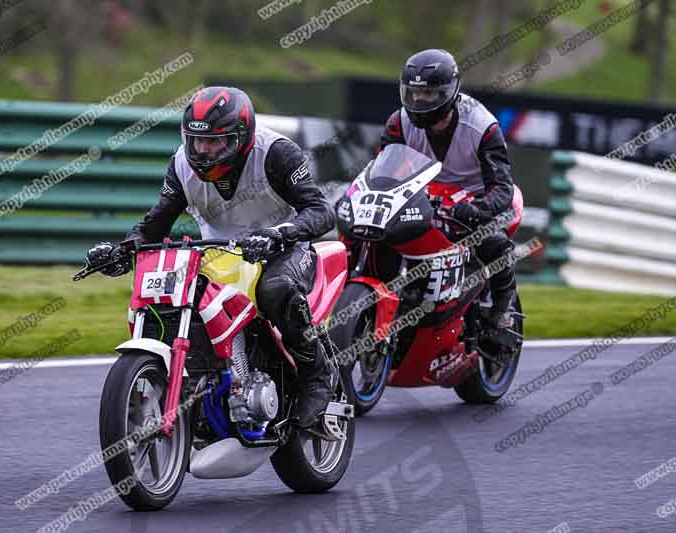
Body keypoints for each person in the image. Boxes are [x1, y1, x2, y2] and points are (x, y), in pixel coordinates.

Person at [85, 86, 337, 435]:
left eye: (215, 143)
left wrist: (280, 233)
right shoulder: (181, 164)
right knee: (173, 299)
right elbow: (155, 226)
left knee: (276, 289)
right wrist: (123, 250)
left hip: (284, 248)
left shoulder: (276, 154)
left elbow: (321, 211)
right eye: (197, 142)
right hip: (219, 253)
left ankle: (316, 377)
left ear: (242, 138)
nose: (203, 152)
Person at [378, 48, 517, 331]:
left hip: (473, 199)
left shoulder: (482, 126)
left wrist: (477, 209)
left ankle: (503, 309)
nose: (419, 100)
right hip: (421, 197)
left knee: (493, 242)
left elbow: (502, 186)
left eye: (428, 94)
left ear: (449, 92)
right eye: (414, 93)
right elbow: (382, 170)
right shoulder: (398, 122)